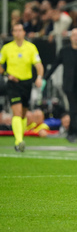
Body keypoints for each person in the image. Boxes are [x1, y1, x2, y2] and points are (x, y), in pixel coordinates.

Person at [44, 28, 77, 143]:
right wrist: (44, 79)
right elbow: (54, 65)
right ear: (71, 37)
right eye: (74, 35)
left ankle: (71, 133)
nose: (76, 37)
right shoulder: (64, 51)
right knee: (73, 108)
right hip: (69, 85)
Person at [0, 23, 44, 152]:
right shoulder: (7, 48)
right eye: (15, 30)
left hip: (26, 83)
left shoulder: (31, 47)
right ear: (12, 33)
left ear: (24, 32)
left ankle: (20, 137)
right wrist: (8, 75)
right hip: (13, 84)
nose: (18, 32)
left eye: (20, 30)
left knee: (24, 114)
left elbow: (38, 65)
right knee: (17, 112)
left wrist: (39, 77)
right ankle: (19, 141)